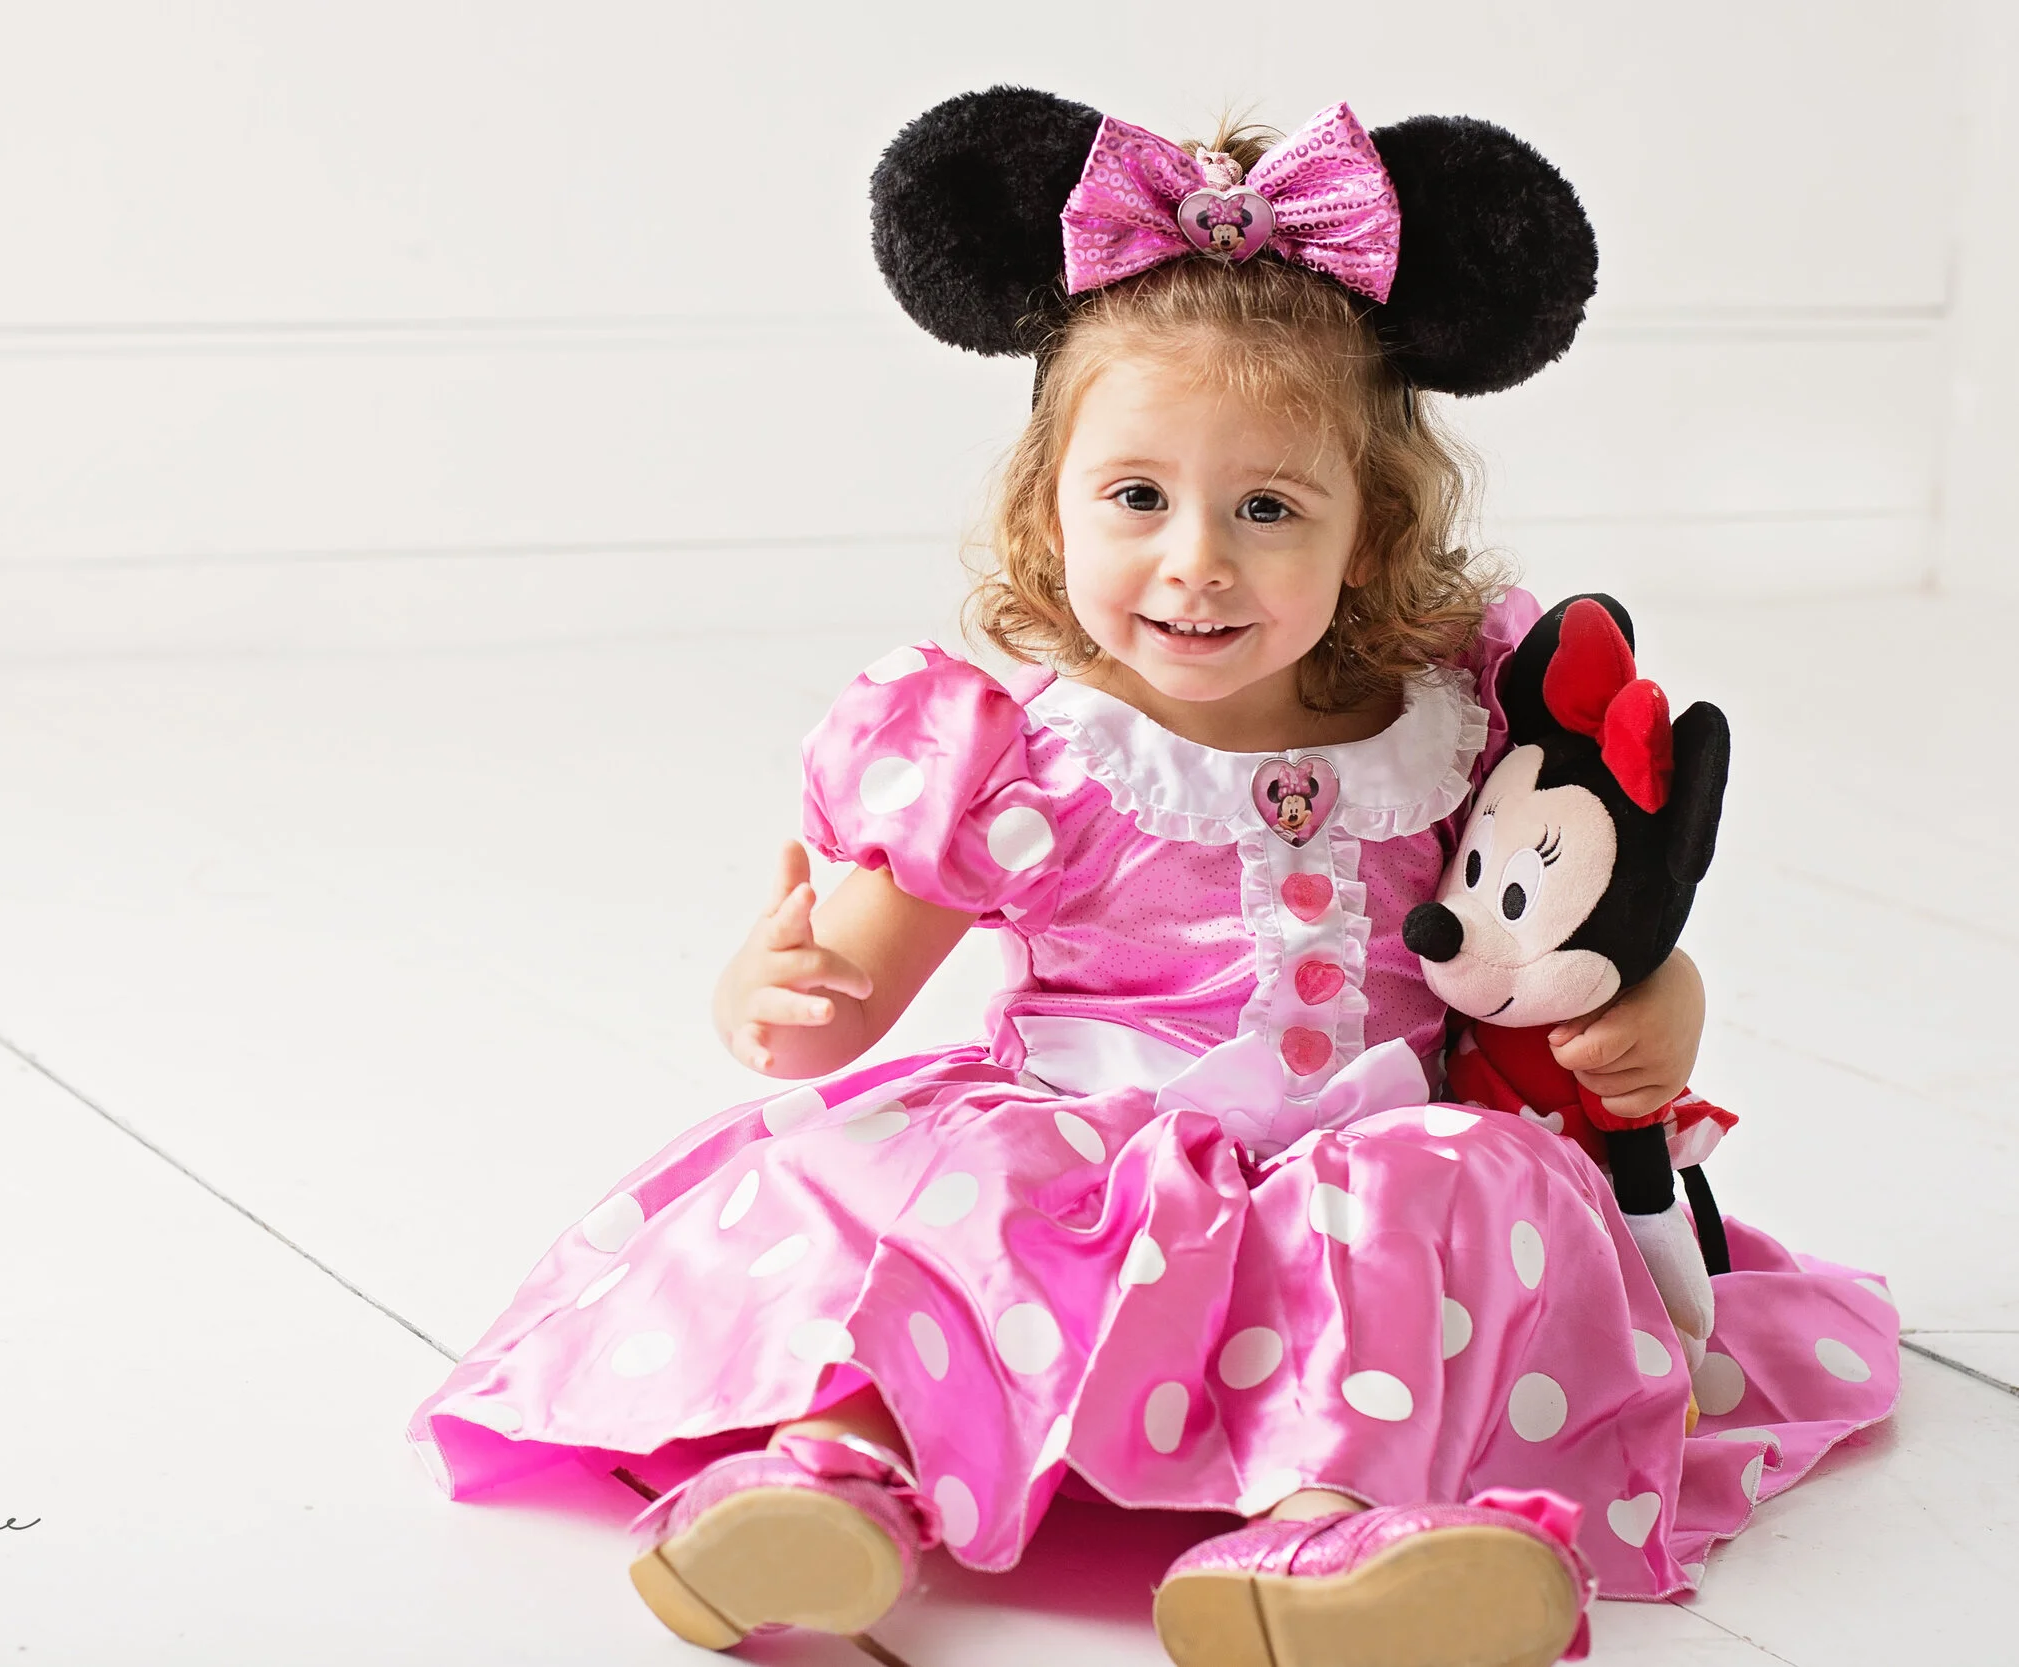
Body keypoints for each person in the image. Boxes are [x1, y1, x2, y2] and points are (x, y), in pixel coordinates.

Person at [407, 91, 1900, 1667]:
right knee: (941, 1189)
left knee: (1469, 1181)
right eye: (1138, 498)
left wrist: (1663, 1004)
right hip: (1094, 1171)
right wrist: (771, 986)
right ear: (1051, 515)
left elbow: (1586, 934)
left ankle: (1329, 1530)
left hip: (1363, 1175)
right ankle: (844, 1475)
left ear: (1371, 536)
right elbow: (829, 1013)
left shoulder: (1466, 729)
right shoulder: (1021, 763)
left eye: (1267, 508)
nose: (1196, 558)